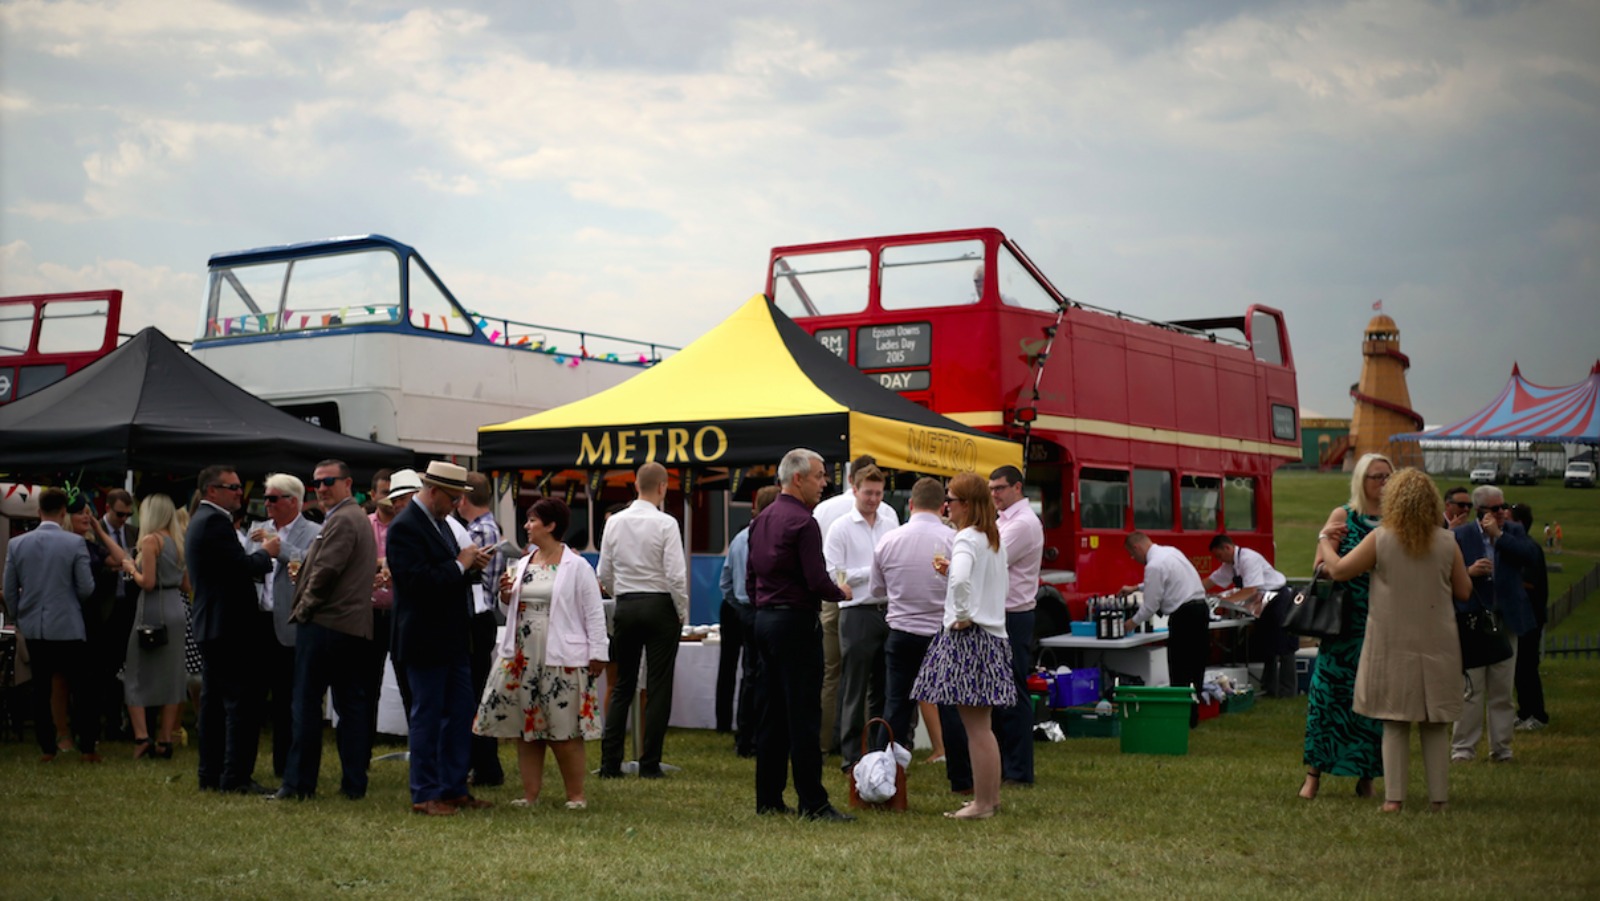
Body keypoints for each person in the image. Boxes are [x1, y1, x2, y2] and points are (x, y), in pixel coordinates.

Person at [1325, 468, 1472, 812]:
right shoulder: (1447, 541)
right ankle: (1439, 800)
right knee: (1435, 724)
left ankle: (1394, 799)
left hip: (1390, 642)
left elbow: (1339, 570)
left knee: (1394, 721)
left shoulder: (1380, 538)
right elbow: (1464, 591)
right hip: (1438, 641)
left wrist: (1323, 541)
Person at [475, 497, 607, 809]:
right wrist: (506, 596)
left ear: (550, 526)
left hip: (560, 655)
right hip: (523, 656)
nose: (526, 526)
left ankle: (576, 795)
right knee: (527, 728)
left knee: (564, 729)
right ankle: (530, 794)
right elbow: (512, 609)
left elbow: (593, 612)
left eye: (533, 520)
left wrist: (598, 652)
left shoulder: (577, 566)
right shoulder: (523, 563)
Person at [746, 448, 854, 821]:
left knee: (771, 712)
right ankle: (813, 801)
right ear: (798, 478)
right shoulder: (804, 523)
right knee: (804, 714)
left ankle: (769, 797)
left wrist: (763, 606)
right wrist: (840, 592)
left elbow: (750, 577)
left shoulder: (761, 519)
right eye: (819, 476)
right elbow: (816, 579)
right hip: (795, 621)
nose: (824, 483)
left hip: (765, 619)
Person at [389, 461, 494, 816]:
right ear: (433, 492)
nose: (456, 505)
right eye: (452, 498)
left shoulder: (441, 523)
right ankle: (425, 792)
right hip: (424, 638)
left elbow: (448, 573)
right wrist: (461, 564)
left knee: (460, 712)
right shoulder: (405, 527)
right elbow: (416, 583)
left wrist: (470, 567)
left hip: (453, 637)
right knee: (428, 716)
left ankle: (453, 787)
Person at [912, 473, 1015, 820]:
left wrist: (960, 615)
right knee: (983, 726)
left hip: (971, 637)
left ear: (967, 505)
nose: (946, 506)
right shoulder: (991, 537)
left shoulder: (967, 538)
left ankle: (982, 803)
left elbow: (959, 581)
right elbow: (983, 582)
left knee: (976, 729)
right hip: (993, 636)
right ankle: (989, 799)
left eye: (951, 499)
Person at [274, 460, 379, 801]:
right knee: (351, 707)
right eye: (316, 483)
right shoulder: (352, 517)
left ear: (348, 483)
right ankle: (353, 784)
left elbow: (326, 571)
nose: (321, 488)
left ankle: (298, 784)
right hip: (349, 626)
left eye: (328, 481)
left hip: (327, 624)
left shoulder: (344, 519)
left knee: (307, 705)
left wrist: (304, 608)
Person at [1302, 452, 1391, 800]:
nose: (1383, 483)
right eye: (1376, 477)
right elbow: (1319, 567)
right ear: (1361, 481)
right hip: (1342, 623)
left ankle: (1366, 776)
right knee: (1327, 696)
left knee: (1374, 702)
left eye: (1388, 476)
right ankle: (1313, 776)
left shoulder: (1396, 521)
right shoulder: (1344, 516)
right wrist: (1341, 564)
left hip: (1381, 623)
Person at [187, 464, 279, 794]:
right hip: (229, 626)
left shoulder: (203, 520)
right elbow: (239, 569)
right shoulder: (214, 522)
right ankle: (236, 777)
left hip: (214, 624)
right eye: (233, 487)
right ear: (212, 490)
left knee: (214, 705)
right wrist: (266, 554)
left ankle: (211, 774)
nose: (240, 493)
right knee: (242, 704)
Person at [596, 461, 688, 779]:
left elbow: (604, 571)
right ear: (663, 487)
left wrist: (619, 593)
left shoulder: (615, 522)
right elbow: (675, 574)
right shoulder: (666, 523)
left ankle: (610, 763)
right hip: (660, 605)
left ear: (635, 486)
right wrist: (681, 609)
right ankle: (650, 763)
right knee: (659, 685)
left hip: (627, 603)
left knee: (623, 683)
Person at [812, 454, 899, 754]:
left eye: (878, 493)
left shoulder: (890, 522)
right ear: (855, 490)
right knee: (853, 685)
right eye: (868, 493)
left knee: (883, 687)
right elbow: (834, 573)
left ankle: (879, 750)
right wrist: (872, 570)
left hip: (887, 609)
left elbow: (895, 564)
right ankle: (851, 754)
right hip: (856, 611)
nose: (873, 499)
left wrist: (871, 572)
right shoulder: (841, 527)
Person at [4, 488, 97, 762]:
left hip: (35, 625)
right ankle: (87, 746)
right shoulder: (75, 543)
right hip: (69, 625)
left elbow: (9, 590)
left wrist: (18, 616)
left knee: (41, 689)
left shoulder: (17, 544)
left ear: (38, 511)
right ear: (63, 513)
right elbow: (86, 587)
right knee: (81, 689)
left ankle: (47, 746)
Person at [1451, 484, 1538, 763]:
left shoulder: (1513, 532)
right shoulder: (1461, 535)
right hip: (1474, 618)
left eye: (1505, 507)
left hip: (1506, 618)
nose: (1503, 512)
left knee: (1502, 688)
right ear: (1480, 511)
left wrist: (1498, 537)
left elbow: (1531, 556)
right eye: (1496, 508)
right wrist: (1469, 571)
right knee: (1472, 688)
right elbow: (1446, 574)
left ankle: (1501, 749)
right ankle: (1463, 749)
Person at [870, 477, 952, 763]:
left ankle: (883, 767)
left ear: (911, 504)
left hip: (902, 631)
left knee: (895, 706)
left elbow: (876, 590)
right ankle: (960, 774)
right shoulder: (953, 541)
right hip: (942, 633)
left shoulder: (889, 540)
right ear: (943, 507)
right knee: (950, 706)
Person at [250, 474, 319, 778]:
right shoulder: (256, 529)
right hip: (258, 621)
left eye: (273, 498)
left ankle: (286, 765)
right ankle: (245, 765)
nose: (267, 504)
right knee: (252, 698)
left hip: (290, 624)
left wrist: (281, 549)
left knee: (287, 700)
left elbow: (314, 565)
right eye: (265, 498)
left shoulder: (314, 531)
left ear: (293, 501)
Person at [120, 494, 191, 761]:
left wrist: (131, 568)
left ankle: (142, 736)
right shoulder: (179, 541)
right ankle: (165, 738)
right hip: (176, 608)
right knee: (173, 675)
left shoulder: (151, 541)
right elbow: (187, 584)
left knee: (135, 671)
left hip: (153, 607)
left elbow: (147, 582)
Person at [1119, 531, 1209, 729]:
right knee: (1196, 665)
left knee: (1180, 668)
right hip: (1201, 609)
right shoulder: (1170, 552)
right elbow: (1164, 580)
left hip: (1184, 616)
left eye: (1132, 555)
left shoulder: (1154, 565)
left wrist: (1130, 624)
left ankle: (1181, 717)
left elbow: (1150, 606)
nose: (1134, 559)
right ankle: (1193, 716)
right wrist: (1136, 588)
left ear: (1137, 548)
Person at [719, 485, 780, 757]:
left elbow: (725, 583)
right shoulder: (772, 537)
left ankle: (745, 737)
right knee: (769, 675)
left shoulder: (739, 538)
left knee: (749, 674)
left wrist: (740, 606)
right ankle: (762, 736)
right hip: (767, 610)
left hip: (745, 611)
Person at [456, 472, 507, 789]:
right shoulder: (484, 526)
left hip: (476, 617)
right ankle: (483, 764)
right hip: (480, 616)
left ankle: (486, 766)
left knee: (473, 694)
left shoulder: (479, 531)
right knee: (474, 692)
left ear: (463, 498)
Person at [367, 467, 421, 737]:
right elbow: (355, 562)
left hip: (401, 615)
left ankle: (417, 741)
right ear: (373, 495)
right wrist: (380, 565)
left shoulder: (411, 526)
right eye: (387, 493)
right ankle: (363, 748)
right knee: (367, 686)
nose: (392, 500)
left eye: (398, 495)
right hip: (372, 615)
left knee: (409, 685)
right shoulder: (365, 525)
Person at [1208, 534, 1294, 698]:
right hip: (1263, 603)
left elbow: (1250, 590)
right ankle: (1269, 688)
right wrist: (1194, 591)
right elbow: (1212, 580)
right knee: (1268, 646)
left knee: (1285, 646)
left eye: (1219, 555)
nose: (1219, 560)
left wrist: (1223, 601)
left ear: (1227, 547)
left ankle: (1288, 692)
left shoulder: (1249, 559)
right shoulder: (1231, 565)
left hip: (1279, 600)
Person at [1510, 503, 1549, 732]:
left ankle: (1538, 714)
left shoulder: (1529, 549)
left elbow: (1529, 583)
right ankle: (1524, 711)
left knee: (1528, 666)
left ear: (1519, 523)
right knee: (1519, 667)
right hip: (1521, 617)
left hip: (1531, 617)